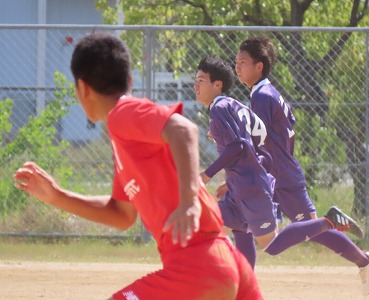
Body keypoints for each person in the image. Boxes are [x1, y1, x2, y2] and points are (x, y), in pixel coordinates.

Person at [13, 32, 263, 300]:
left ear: (82, 89)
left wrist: (188, 200)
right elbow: (122, 214)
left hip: (198, 266)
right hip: (225, 261)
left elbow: (183, 129)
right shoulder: (126, 138)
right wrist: (57, 196)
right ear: (130, 80)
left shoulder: (122, 114)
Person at [232, 35, 369, 296]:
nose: (237, 66)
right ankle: (242, 287)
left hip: (280, 176)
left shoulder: (262, 97)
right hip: (278, 173)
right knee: (241, 221)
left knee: (313, 230)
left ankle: (364, 260)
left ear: (259, 66)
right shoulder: (267, 93)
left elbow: (258, 141)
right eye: (236, 61)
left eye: (243, 62)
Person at [195, 55, 364, 272]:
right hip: (243, 187)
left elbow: (239, 146)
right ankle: (243, 291)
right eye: (195, 81)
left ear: (217, 84)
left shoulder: (219, 108)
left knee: (271, 245)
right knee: (218, 231)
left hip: (251, 189)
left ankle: (329, 221)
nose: (195, 86)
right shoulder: (235, 106)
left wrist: (207, 174)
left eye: (201, 80)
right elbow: (259, 147)